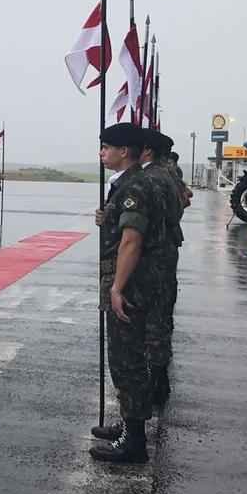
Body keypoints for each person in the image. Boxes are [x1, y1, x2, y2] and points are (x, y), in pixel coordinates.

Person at [91, 123, 166, 463]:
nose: (102, 153)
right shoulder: (131, 183)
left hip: (131, 282)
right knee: (128, 357)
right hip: (138, 279)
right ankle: (129, 424)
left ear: (124, 151)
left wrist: (117, 288)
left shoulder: (134, 186)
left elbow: (132, 241)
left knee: (127, 360)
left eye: (107, 147)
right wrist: (107, 218)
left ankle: (134, 441)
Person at [140, 130, 183, 405]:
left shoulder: (152, 179)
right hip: (165, 252)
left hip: (154, 256)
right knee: (161, 317)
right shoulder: (169, 176)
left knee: (153, 321)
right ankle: (159, 378)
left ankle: (154, 383)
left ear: (147, 150)